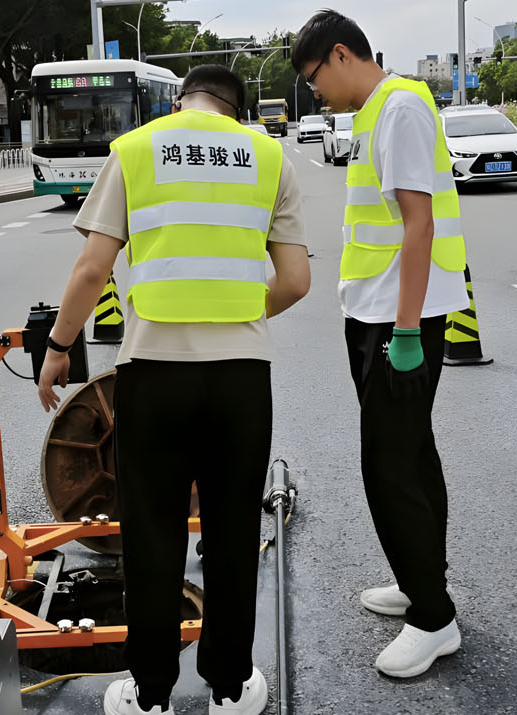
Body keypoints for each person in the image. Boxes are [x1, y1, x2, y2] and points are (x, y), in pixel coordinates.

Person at [36, 65, 311, 715]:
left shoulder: (135, 149)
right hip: (242, 376)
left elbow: (91, 268)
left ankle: (151, 694)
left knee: (153, 535)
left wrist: (56, 347)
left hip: (152, 373)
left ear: (180, 99)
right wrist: (235, 313)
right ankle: (229, 686)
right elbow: (295, 280)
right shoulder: (270, 156)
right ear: (237, 111)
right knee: (233, 529)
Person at [292, 9, 471, 678]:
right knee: (412, 455)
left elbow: (417, 223)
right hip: (377, 312)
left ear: (340, 55)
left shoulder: (397, 108)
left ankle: (432, 617)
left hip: (400, 321)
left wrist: (402, 331)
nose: (316, 94)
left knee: (388, 467)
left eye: (314, 79)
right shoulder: (377, 110)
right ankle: (419, 578)